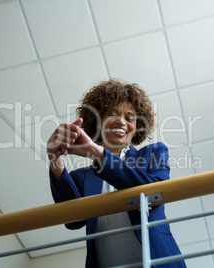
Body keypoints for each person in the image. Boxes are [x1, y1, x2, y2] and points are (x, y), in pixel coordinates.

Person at [47, 79, 186, 268]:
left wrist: (97, 153)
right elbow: (73, 221)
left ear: (136, 127)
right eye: (113, 114)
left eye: (130, 118)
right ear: (98, 122)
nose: (122, 121)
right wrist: (55, 160)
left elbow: (156, 192)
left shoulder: (153, 152)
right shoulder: (81, 176)